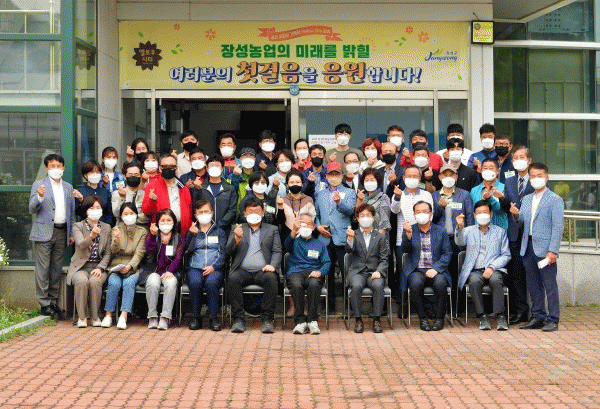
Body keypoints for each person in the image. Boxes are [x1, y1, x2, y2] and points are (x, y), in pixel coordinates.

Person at [514, 163, 564, 332]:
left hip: (545, 248)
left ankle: (553, 318)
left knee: (549, 285)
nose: (536, 179)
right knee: (533, 284)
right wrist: (516, 215)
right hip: (527, 246)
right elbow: (522, 222)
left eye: (540, 175)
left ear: (546, 177)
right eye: (533, 176)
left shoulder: (555, 199)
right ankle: (538, 316)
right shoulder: (527, 199)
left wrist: (553, 250)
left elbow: (558, 227)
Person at [29, 154, 76, 317]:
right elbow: (31, 209)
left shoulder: (68, 187)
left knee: (56, 269)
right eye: (52, 166)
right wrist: (40, 197)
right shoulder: (38, 185)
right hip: (44, 232)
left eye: (59, 166)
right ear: (46, 168)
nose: (56, 169)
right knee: (43, 269)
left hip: (62, 231)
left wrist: (71, 233)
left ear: (63, 168)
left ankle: (53, 301)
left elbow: (71, 212)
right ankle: (44, 303)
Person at [227, 198, 282, 333]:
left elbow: (277, 251)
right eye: (250, 211)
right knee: (232, 278)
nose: (254, 214)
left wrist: (273, 266)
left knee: (271, 278)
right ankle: (238, 319)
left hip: (263, 270)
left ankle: (267, 319)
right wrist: (236, 239)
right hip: (242, 270)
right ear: (244, 213)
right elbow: (228, 252)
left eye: (257, 211)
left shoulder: (272, 229)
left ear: (263, 213)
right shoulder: (237, 228)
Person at [455, 200, 511, 330]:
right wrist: (460, 228)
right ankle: (482, 316)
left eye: (485, 212)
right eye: (479, 213)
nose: (482, 215)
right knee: (474, 281)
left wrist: (492, 267)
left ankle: (500, 316)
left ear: (491, 214)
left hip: (495, 269)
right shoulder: (468, 231)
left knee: (496, 280)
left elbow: (506, 255)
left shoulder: (500, 232)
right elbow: (459, 242)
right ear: (474, 215)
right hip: (475, 270)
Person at [402, 201, 452, 331]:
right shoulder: (410, 229)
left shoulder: (441, 231)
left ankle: (439, 319)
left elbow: (447, 253)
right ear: (414, 214)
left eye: (424, 211)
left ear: (431, 214)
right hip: (417, 270)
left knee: (441, 284)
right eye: (418, 212)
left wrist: (436, 268)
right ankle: (422, 318)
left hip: (436, 269)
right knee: (415, 284)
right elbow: (405, 251)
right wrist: (408, 236)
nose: (421, 214)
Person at [315, 162, 357, 312]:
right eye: (331, 174)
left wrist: (339, 202)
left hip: (342, 236)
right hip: (325, 237)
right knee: (327, 271)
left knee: (346, 271)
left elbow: (350, 211)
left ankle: (348, 303)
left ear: (342, 176)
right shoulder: (321, 194)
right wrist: (318, 226)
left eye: (337, 174)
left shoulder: (349, 192)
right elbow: (316, 214)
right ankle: (329, 303)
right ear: (326, 176)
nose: (334, 177)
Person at [500, 146, 534, 324]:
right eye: (515, 158)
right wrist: (502, 199)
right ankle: (521, 311)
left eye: (522, 157)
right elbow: (506, 206)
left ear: (529, 160)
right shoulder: (510, 180)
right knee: (517, 273)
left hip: (531, 233)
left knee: (533, 273)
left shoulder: (536, 179)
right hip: (514, 233)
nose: (518, 160)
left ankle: (537, 311)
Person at [67, 196, 111, 327]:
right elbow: (81, 244)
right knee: (82, 281)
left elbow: (108, 253)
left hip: (98, 266)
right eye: (92, 208)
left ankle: (95, 317)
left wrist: (100, 267)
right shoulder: (78, 226)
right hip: (80, 267)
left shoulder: (107, 227)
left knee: (95, 281)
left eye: (98, 207)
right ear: (86, 210)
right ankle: (82, 317)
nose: (95, 210)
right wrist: (92, 235)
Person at [102, 203, 147, 330]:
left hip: (133, 268)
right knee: (114, 283)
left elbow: (139, 253)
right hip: (116, 266)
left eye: (131, 213)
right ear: (121, 216)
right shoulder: (116, 229)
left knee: (129, 283)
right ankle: (108, 315)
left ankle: (123, 316)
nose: (129, 216)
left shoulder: (142, 231)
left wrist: (130, 266)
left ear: (136, 215)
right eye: (125, 214)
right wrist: (116, 240)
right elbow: (113, 250)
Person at [346, 204, 389, 333]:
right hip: (357, 272)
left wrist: (379, 271)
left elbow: (384, 259)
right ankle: (358, 320)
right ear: (357, 218)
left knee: (378, 285)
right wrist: (350, 239)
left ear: (373, 217)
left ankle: (377, 319)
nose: (365, 218)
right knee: (356, 286)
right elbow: (348, 250)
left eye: (368, 215)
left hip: (374, 272)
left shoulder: (380, 237)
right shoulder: (353, 234)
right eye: (362, 215)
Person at [184, 200, 227, 331]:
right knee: (195, 283)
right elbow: (186, 251)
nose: (204, 214)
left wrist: (214, 267)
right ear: (196, 215)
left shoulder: (220, 231)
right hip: (195, 267)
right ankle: (196, 317)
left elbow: (223, 253)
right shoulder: (192, 231)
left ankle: (214, 317)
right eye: (200, 212)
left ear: (212, 213)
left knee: (211, 283)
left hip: (215, 268)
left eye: (206, 212)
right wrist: (192, 236)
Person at [284, 213, 330, 335]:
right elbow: (286, 247)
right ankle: (300, 321)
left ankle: (312, 321)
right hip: (295, 271)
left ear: (314, 226)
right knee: (296, 285)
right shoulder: (293, 241)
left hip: (313, 272)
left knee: (314, 285)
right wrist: (294, 231)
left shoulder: (320, 244)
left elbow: (326, 262)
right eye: (302, 223)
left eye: (308, 223)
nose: (305, 226)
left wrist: (320, 272)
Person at [391, 165, 434, 293]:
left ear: (420, 178)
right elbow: (394, 210)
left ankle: (422, 298)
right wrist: (397, 197)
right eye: (409, 176)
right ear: (403, 177)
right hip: (402, 239)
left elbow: (430, 216)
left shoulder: (426, 194)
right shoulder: (398, 194)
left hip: (424, 238)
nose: (412, 178)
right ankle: (403, 299)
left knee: (420, 271)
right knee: (403, 271)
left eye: (415, 176)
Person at [432, 164, 474, 294]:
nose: (448, 177)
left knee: (457, 271)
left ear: (456, 177)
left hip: (458, 240)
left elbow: (469, 218)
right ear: (440, 177)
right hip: (441, 241)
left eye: (451, 175)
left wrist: (467, 239)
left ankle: (457, 302)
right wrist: (440, 207)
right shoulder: (434, 196)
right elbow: (431, 219)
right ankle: (444, 302)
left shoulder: (464, 195)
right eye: (445, 175)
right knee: (442, 272)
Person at [141, 209, 185, 331]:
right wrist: (153, 236)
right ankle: (152, 316)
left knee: (171, 283)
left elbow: (178, 258)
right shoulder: (152, 235)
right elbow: (150, 253)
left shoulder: (179, 238)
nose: (166, 223)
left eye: (169, 220)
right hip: (153, 270)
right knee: (153, 283)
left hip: (171, 272)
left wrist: (170, 271)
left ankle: (165, 317)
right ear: (158, 223)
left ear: (174, 222)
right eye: (163, 221)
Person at [142, 154, 193, 235]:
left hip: (181, 230)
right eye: (165, 166)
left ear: (176, 168)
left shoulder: (183, 188)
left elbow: (189, 211)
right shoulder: (152, 186)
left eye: (172, 166)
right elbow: (146, 212)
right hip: (161, 231)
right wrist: (151, 201)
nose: (168, 168)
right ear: (160, 168)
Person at [195, 155, 238, 233]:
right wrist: (197, 190)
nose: (214, 168)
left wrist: (220, 225)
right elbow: (195, 206)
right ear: (207, 169)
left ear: (222, 168)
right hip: (204, 228)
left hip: (224, 229)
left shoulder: (230, 189)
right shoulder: (201, 188)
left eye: (217, 165)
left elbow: (232, 210)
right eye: (211, 165)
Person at [276, 170, 316, 242]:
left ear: (302, 184)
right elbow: (280, 221)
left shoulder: (309, 200)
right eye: (292, 182)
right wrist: (280, 207)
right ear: (287, 185)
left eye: (298, 182)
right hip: (287, 238)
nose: (295, 184)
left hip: (306, 238)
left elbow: (312, 220)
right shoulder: (282, 201)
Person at [470, 158, 508, 229]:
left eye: (491, 168)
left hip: (499, 230)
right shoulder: (474, 190)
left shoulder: (505, 188)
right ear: (481, 170)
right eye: (485, 168)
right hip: (478, 231)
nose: (488, 171)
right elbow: (472, 212)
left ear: (497, 171)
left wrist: (490, 199)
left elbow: (502, 210)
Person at [74, 160, 114, 226]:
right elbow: (77, 213)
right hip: (86, 228)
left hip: (103, 228)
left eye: (97, 172)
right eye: (92, 172)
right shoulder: (80, 192)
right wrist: (81, 201)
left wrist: (107, 227)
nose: (95, 175)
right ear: (85, 175)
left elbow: (109, 214)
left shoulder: (105, 192)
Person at [112, 162, 148, 227]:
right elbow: (116, 214)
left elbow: (146, 217)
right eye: (130, 175)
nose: (133, 176)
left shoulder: (145, 194)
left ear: (140, 176)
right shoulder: (117, 193)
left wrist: (127, 217)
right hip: (122, 229)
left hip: (141, 229)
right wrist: (122, 198)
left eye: (136, 174)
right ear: (125, 177)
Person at [356, 168, 391, 236]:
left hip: (378, 237)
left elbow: (385, 224)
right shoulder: (363, 197)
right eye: (366, 180)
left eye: (372, 180)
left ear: (377, 181)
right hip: (362, 237)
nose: (369, 182)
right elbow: (356, 217)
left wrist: (375, 240)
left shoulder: (383, 197)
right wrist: (359, 200)